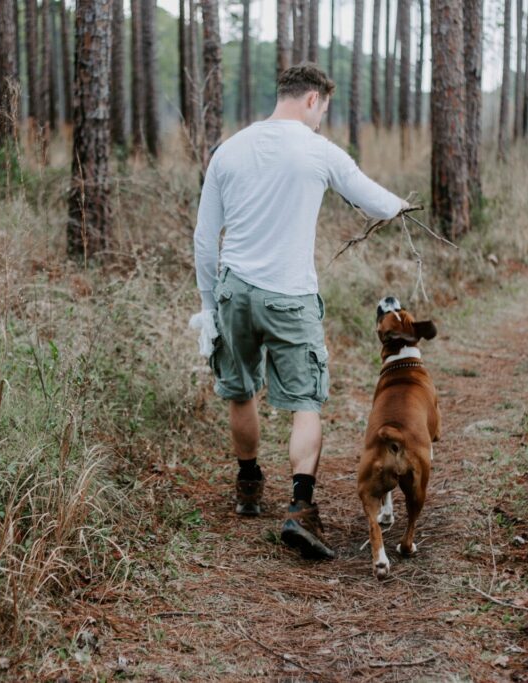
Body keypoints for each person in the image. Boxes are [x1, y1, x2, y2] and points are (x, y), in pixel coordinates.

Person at [192, 63, 409, 560]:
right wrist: (400, 206)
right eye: (322, 111)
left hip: (235, 290)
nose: (320, 120)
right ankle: (300, 506)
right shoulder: (318, 150)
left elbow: (206, 241)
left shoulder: (228, 150)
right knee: (305, 400)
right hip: (289, 295)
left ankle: (248, 488)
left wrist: (209, 306)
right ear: (313, 100)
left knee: (240, 389)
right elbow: (374, 202)